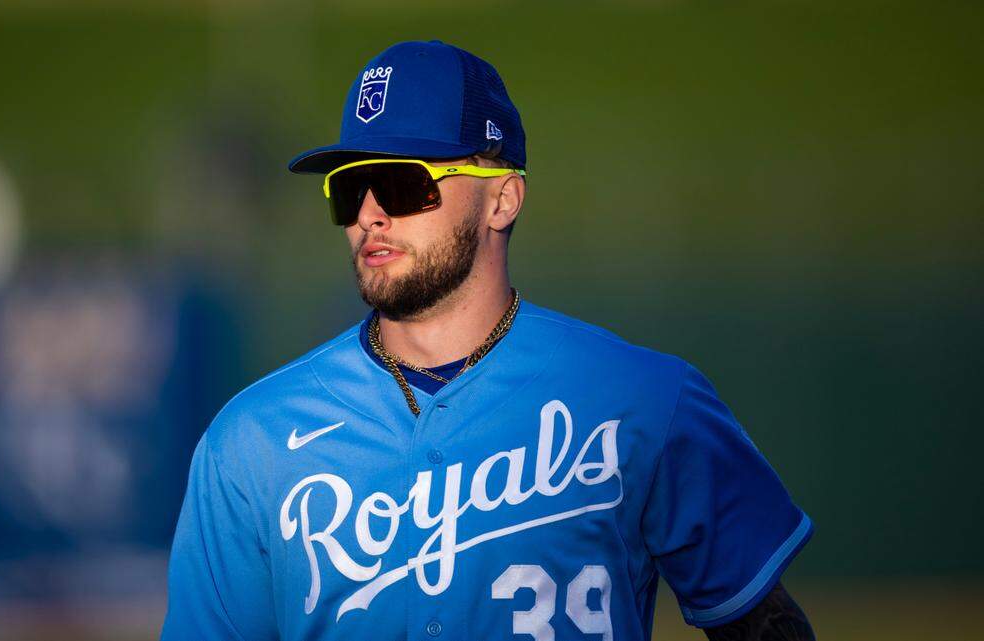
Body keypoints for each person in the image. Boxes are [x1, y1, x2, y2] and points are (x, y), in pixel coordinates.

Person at [160, 40, 815, 641]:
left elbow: (760, 622)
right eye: (350, 188)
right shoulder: (251, 443)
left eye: (401, 184)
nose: (368, 214)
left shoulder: (644, 400)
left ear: (503, 199)